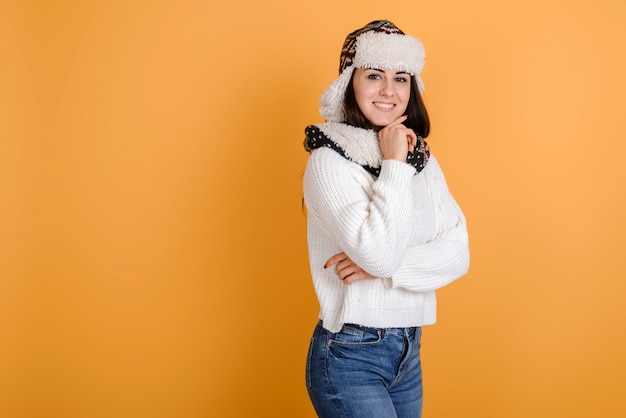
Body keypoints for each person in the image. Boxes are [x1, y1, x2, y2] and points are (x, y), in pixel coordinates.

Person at [302, 20, 470, 417]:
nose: (389, 91)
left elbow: (458, 253)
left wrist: (385, 268)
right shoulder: (329, 162)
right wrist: (394, 163)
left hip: (408, 353)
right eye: (374, 75)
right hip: (349, 355)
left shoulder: (422, 162)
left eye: (401, 78)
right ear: (349, 82)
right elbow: (379, 254)